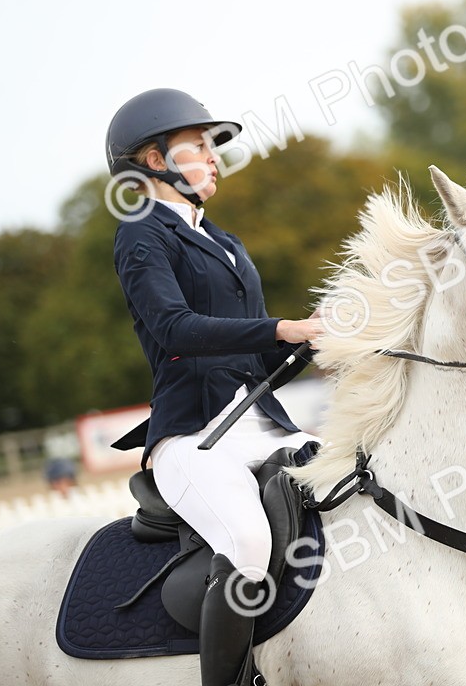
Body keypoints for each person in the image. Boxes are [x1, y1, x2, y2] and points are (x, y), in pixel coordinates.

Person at [105, 88, 323, 686]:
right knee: (248, 540)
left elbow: (252, 351)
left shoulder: (225, 242)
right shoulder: (141, 234)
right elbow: (175, 329)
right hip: (193, 437)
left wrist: (307, 342)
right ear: (155, 161)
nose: (214, 157)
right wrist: (279, 325)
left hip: (260, 421)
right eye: (199, 146)